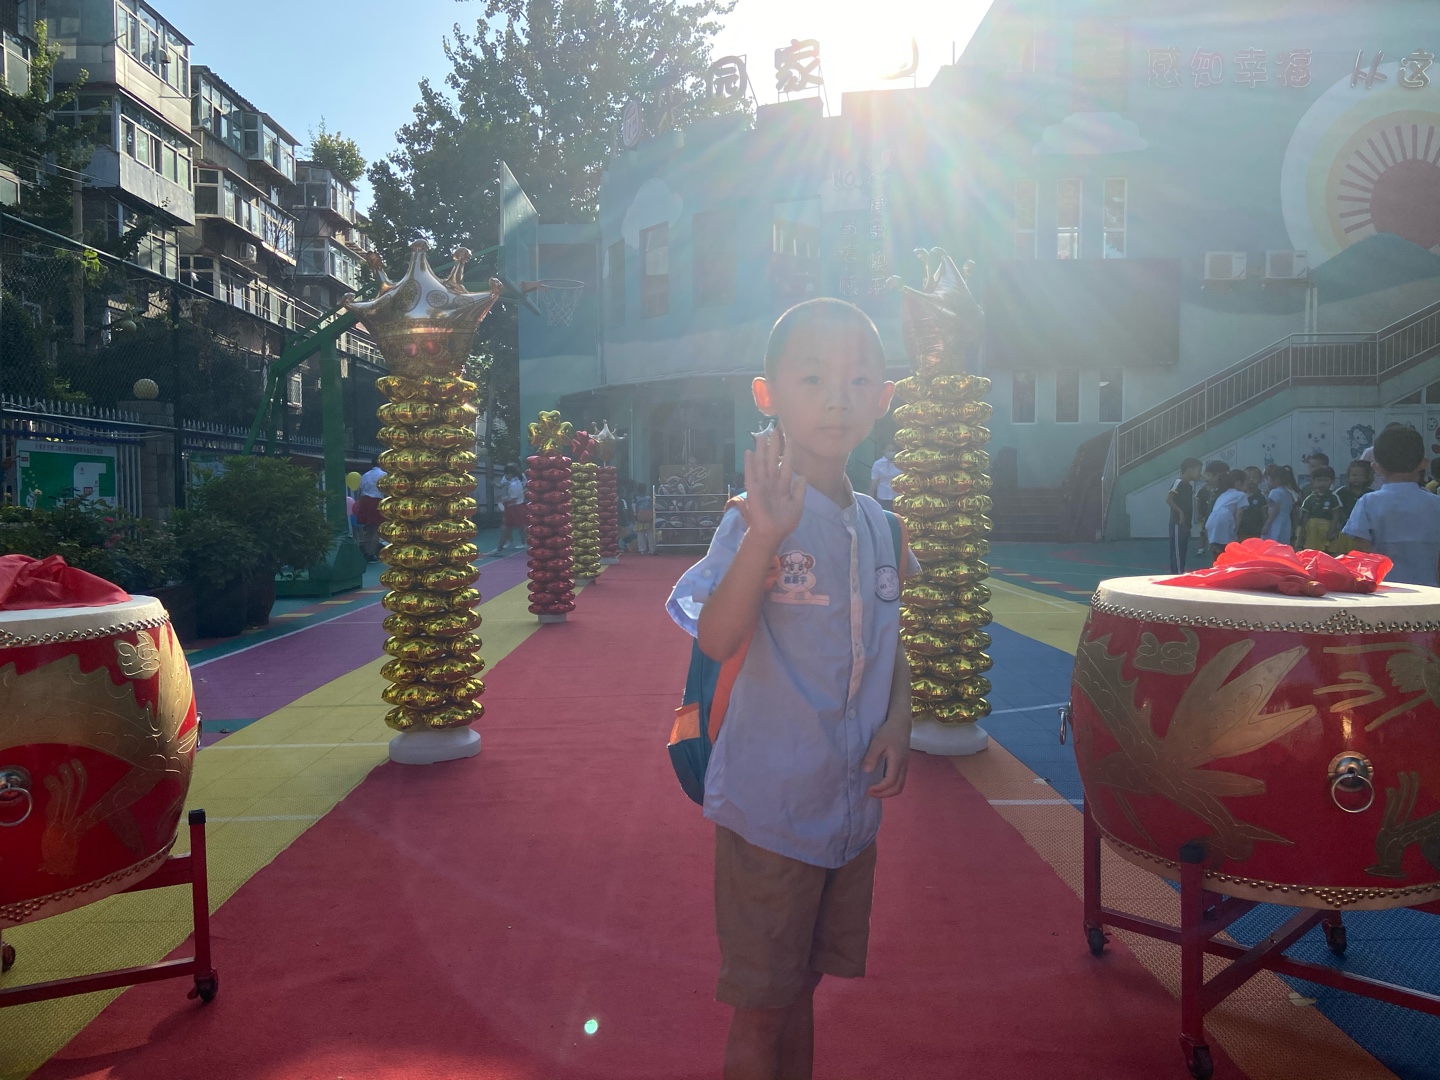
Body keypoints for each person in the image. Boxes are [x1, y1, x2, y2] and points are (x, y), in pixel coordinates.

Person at [666, 298, 917, 1080]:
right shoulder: (755, 519)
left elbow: (890, 639)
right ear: (767, 394)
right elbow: (716, 637)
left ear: (884, 397)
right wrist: (767, 537)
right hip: (771, 809)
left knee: (801, 988)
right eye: (812, 379)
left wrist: (899, 720)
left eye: (857, 380)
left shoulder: (883, 527)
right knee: (761, 1007)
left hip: (848, 809)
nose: (837, 398)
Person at [1342, 425, 1440, 586]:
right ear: (1424, 463)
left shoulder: (1367, 503)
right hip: (1430, 592)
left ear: (1376, 467)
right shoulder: (1436, 504)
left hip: (1383, 590)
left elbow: (1361, 554)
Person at [1165, 458, 1202, 573]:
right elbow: (1169, 499)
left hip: (1185, 524)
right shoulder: (1179, 482)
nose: (1199, 473)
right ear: (1189, 469)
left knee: (1182, 550)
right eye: (1198, 470)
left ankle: (1179, 571)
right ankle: (1177, 574)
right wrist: (1180, 512)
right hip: (1178, 523)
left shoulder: (1188, 486)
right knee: (1177, 551)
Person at [1205, 469, 1247, 559]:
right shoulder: (1241, 494)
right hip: (1225, 518)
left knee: (1216, 546)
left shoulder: (1222, 495)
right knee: (1227, 546)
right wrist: (1236, 529)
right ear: (1239, 483)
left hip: (1211, 519)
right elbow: (1239, 513)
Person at [1298, 466, 1342, 551]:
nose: (1322, 483)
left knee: (1327, 552)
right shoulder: (1310, 498)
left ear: (1332, 481)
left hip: (1327, 528)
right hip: (1312, 530)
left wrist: (1332, 531)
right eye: (1319, 480)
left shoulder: (1334, 497)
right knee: (1311, 552)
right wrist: (1302, 533)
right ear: (1313, 481)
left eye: (1325, 480)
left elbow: (1336, 516)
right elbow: (1305, 517)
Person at [491, 464, 527, 556]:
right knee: (506, 527)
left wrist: (502, 499)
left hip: (515, 508)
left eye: (507, 474)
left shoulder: (515, 484)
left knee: (515, 527)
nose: (505, 476)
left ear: (511, 474)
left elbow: (514, 499)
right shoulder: (512, 482)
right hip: (511, 507)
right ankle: (501, 547)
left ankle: (500, 549)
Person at [1194, 460, 1227, 557]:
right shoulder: (1214, 492)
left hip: (1223, 538)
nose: (1206, 479)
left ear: (1218, 476)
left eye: (1208, 475)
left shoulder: (1226, 494)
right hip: (1216, 538)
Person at [355, 456, 385, 561]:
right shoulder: (384, 475)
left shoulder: (365, 475)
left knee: (368, 529)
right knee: (376, 529)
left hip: (364, 501)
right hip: (376, 501)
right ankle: (371, 554)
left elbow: (361, 489)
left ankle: (367, 552)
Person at [1261, 464, 1299, 545]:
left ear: (1276, 479)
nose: (1267, 482)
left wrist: (1267, 525)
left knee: (1272, 542)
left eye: (1267, 479)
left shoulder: (1275, 492)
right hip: (1286, 521)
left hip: (1275, 521)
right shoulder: (1288, 492)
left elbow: (1275, 510)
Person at [869, 442, 901, 511]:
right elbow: (874, 483)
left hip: (897, 498)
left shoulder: (900, 463)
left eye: (893, 450)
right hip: (883, 497)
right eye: (889, 450)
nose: (891, 452)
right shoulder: (878, 464)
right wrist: (870, 499)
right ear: (883, 451)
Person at [1237, 466, 1267, 541]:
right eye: (1248, 478)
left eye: (1254, 478)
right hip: (1240, 532)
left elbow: (1265, 515)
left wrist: (1264, 527)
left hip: (1255, 533)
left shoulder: (1261, 497)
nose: (1251, 480)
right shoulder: (1239, 495)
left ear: (1260, 479)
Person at [633, 485, 655, 554]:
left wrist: (635, 516)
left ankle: (641, 549)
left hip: (639, 518)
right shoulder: (649, 498)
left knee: (640, 534)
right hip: (649, 518)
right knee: (650, 534)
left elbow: (634, 508)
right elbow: (653, 507)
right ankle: (651, 549)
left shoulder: (636, 499)